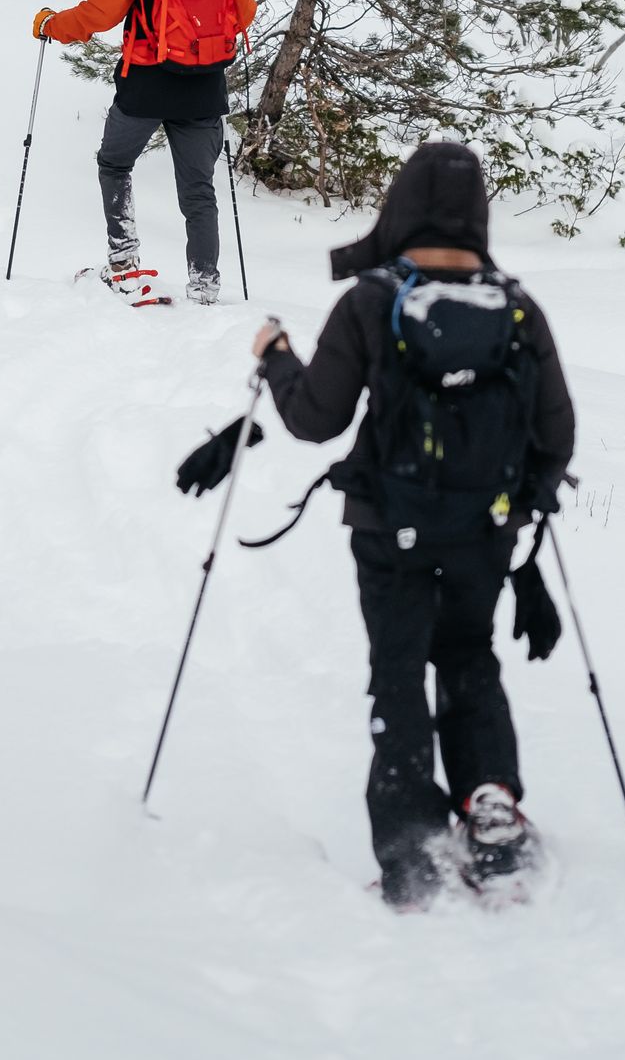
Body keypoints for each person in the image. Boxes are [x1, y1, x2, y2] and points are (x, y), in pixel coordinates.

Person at [236, 140, 574, 908]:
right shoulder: (516, 307)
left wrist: (276, 357)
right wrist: (520, 513)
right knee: (468, 656)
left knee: (398, 670)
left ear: (401, 205)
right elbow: (556, 435)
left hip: (389, 532)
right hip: (484, 534)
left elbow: (317, 419)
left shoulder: (372, 298)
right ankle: (491, 802)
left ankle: (411, 848)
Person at [33, 0, 257, 304]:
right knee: (199, 190)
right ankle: (205, 285)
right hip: (204, 84)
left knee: (115, 164)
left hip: (147, 81)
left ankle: (123, 265)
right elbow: (244, 9)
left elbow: (105, 10)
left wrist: (52, 25)